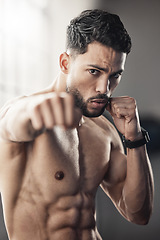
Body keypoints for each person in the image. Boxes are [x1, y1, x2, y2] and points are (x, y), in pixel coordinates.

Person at [0, 9, 154, 240]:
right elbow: (12, 121)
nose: (105, 88)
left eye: (114, 75)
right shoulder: (25, 115)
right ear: (65, 63)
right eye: (94, 71)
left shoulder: (104, 131)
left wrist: (135, 139)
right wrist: (36, 110)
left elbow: (139, 214)